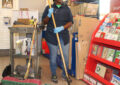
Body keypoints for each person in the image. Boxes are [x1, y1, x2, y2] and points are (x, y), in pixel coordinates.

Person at [42, 0, 73, 83]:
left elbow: (70, 22)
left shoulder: (66, 8)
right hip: (52, 36)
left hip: (64, 36)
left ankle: (65, 74)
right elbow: (44, 22)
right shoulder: (49, 7)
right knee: (53, 58)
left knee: (65, 57)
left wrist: (62, 27)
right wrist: (48, 15)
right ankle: (54, 74)